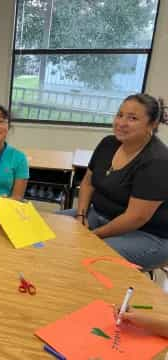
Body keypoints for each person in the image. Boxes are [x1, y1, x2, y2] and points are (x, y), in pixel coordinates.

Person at [65, 93, 168, 270]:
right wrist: (81, 216)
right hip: (98, 216)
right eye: (119, 115)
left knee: (91, 255)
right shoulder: (108, 143)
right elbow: (88, 182)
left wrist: (93, 235)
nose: (121, 123)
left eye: (132, 118)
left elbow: (136, 218)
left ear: (152, 124)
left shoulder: (158, 161)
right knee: (50, 226)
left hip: (146, 234)